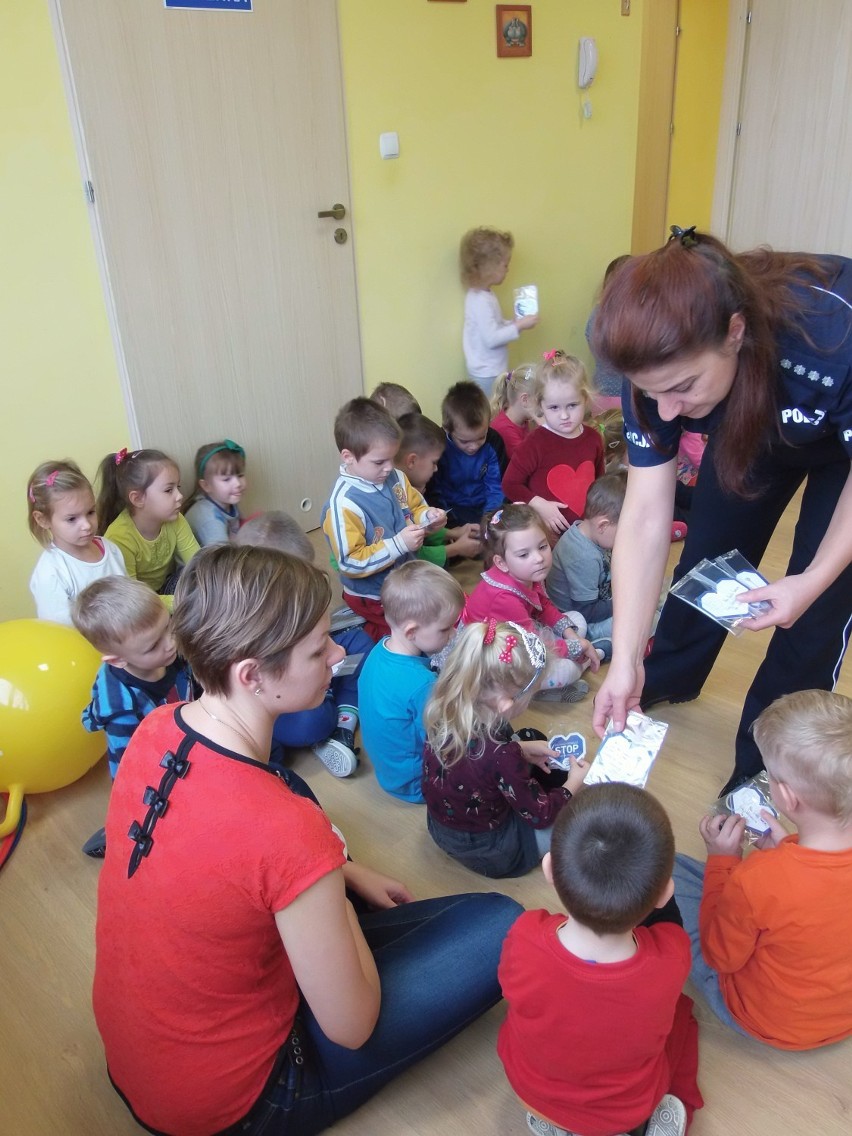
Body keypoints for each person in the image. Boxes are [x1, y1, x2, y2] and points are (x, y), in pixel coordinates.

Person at [92, 544, 522, 1136]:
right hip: (237, 1101)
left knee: (292, 785)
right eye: (319, 648)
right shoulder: (283, 829)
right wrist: (323, 859)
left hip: (150, 1058)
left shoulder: (155, 728)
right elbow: (354, 1023)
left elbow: (218, 858)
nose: (339, 653)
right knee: (500, 925)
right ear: (251, 674)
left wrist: (340, 872)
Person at [590, 227, 852, 791]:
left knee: (819, 607)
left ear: (734, 333)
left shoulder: (836, 333)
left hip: (838, 438)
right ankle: (665, 674)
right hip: (755, 422)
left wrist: (811, 580)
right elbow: (644, 517)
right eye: (652, 393)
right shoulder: (650, 371)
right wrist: (625, 657)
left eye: (682, 386)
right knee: (707, 557)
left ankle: (765, 768)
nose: (666, 409)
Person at [498, 783, 703, 1136]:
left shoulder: (525, 935)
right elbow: (671, 933)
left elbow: (514, 989)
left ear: (549, 870)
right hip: (624, 1113)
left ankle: (559, 1125)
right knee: (682, 1020)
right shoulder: (670, 957)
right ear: (665, 894)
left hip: (530, 1092)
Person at [672, 689, 852, 1051]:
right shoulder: (774, 873)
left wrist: (723, 861)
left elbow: (719, 955)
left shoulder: (759, 879)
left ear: (786, 799)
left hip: (762, 1018)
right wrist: (788, 849)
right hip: (838, 1014)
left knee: (668, 869)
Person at [422, 619, 587, 878]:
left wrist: (520, 747)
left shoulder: (443, 710)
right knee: (579, 817)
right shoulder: (502, 756)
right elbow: (540, 815)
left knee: (529, 737)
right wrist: (573, 786)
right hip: (494, 851)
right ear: (506, 704)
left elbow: (473, 765)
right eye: (532, 694)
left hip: (443, 827)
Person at [235, 511, 374, 778]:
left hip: (314, 671)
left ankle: (344, 724)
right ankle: (332, 715)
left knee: (361, 644)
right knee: (312, 723)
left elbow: (330, 643)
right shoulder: (249, 625)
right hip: (284, 700)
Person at [73, 575, 193, 857]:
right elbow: (134, 763)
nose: (170, 643)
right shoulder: (120, 708)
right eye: (152, 645)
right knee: (149, 809)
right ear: (118, 660)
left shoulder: (167, 652)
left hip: (179, 732)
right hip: (145, 766)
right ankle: (118, 834)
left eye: (169, 626)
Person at [321, 398, 445, 642]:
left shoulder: (395, 477)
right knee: (406, 635)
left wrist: (427, 517)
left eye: (392, 457)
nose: (389, 468)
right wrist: (399, 544)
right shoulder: (343, 505)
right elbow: (350, 562)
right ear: (348, 457)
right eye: (379, 462)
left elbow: (414, 506)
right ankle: (366, 629)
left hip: (404, 577)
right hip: (372, 594)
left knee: (435, 610)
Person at [464, 505, 600, 702]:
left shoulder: (525, 571)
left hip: (523, 637)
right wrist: (577, 647)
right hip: (496, 663)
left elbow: (543, 605)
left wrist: (572, 638)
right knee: (568, 671)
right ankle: (541, 688)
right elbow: (535, 648)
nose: (538, 558)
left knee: (575, 620)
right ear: (501, 563)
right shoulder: (504, 598)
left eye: (542, 547)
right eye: (523, 554)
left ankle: (584, 655)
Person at [358, 561, 465, 803]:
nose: (453, 634)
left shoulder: (379, 651)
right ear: (411, 631)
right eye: (445, 629)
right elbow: (449, 739)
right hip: (418, 783)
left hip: (390, 772)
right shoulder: (421, 685)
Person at [503, 351, 605, 536]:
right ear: (540, 405)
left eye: (572, 405)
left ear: (586, 399)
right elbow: (510, 484)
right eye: (554, 408)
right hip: (546, 536)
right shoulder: (534, 443)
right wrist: (539, 504)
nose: (564, 416)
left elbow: (599, 484)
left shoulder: (593, 438)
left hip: (585, 534)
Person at [27, 459, 126, 626]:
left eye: (90, 512)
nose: (87, 525)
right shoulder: (51, 573)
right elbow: (61, 633)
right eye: (72, 519)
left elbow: (128, 600)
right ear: (43, 519)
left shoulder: (111, 549)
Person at [98, 447, 199, 606]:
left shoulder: (175, 518)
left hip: (166, 588)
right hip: (137, 602)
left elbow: (198, 561)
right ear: (137, 499)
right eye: (168, 490)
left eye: (177, 487)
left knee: (201, 579)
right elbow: (132, 598)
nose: (179, 496)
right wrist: (183, 603)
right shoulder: (120, 537)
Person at [546, 472, 627, 660]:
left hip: (598, 603)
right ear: (603, 525)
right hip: (581, 624)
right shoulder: (584, 557)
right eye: (624, 532)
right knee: (641, 619)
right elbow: (587, 612)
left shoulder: (589, 532)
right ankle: (599, 647)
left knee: (650, 604)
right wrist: (626, 602)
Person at [460, 226, 539, 398]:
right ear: (489, 268)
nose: (508, 269)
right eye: (505, 265)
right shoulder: (480, 300)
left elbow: (493, 326)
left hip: (489, 369)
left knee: (496, 408)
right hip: (487, 373)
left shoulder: (484, 295)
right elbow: (492, 338)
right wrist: (518, 326)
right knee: (493, 411)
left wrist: (512, 323)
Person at [395, 412, 482, 564]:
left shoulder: (410, 488)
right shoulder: (394, 497)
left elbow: (421, 528)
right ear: (412, 461)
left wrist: (453, 533)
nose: (436, 469)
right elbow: (411, 555)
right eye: (434, 462)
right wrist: (456, 549)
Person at [427, 380, 507, 526]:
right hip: (451, 512)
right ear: (447, 429)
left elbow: (497, 486)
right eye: (464, 441)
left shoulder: (494, 442)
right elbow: (434, 492)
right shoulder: (438, 447)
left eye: (481, 437)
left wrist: (489, 519)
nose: (473, 447)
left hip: (487, 508)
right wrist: (452, 523)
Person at [184, 438, 247, 545]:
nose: (238, 484)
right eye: (227, 479)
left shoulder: (226, 502)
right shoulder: (209, 519)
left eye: (240, 476)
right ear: (206, 485)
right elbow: (221, 559)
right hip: (215, 559)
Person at [490, 362, 538, 457]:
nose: (544, 405)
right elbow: (528, 460)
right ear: (525, 400)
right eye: (540, 399)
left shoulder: (523, 420)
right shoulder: (504, 429)